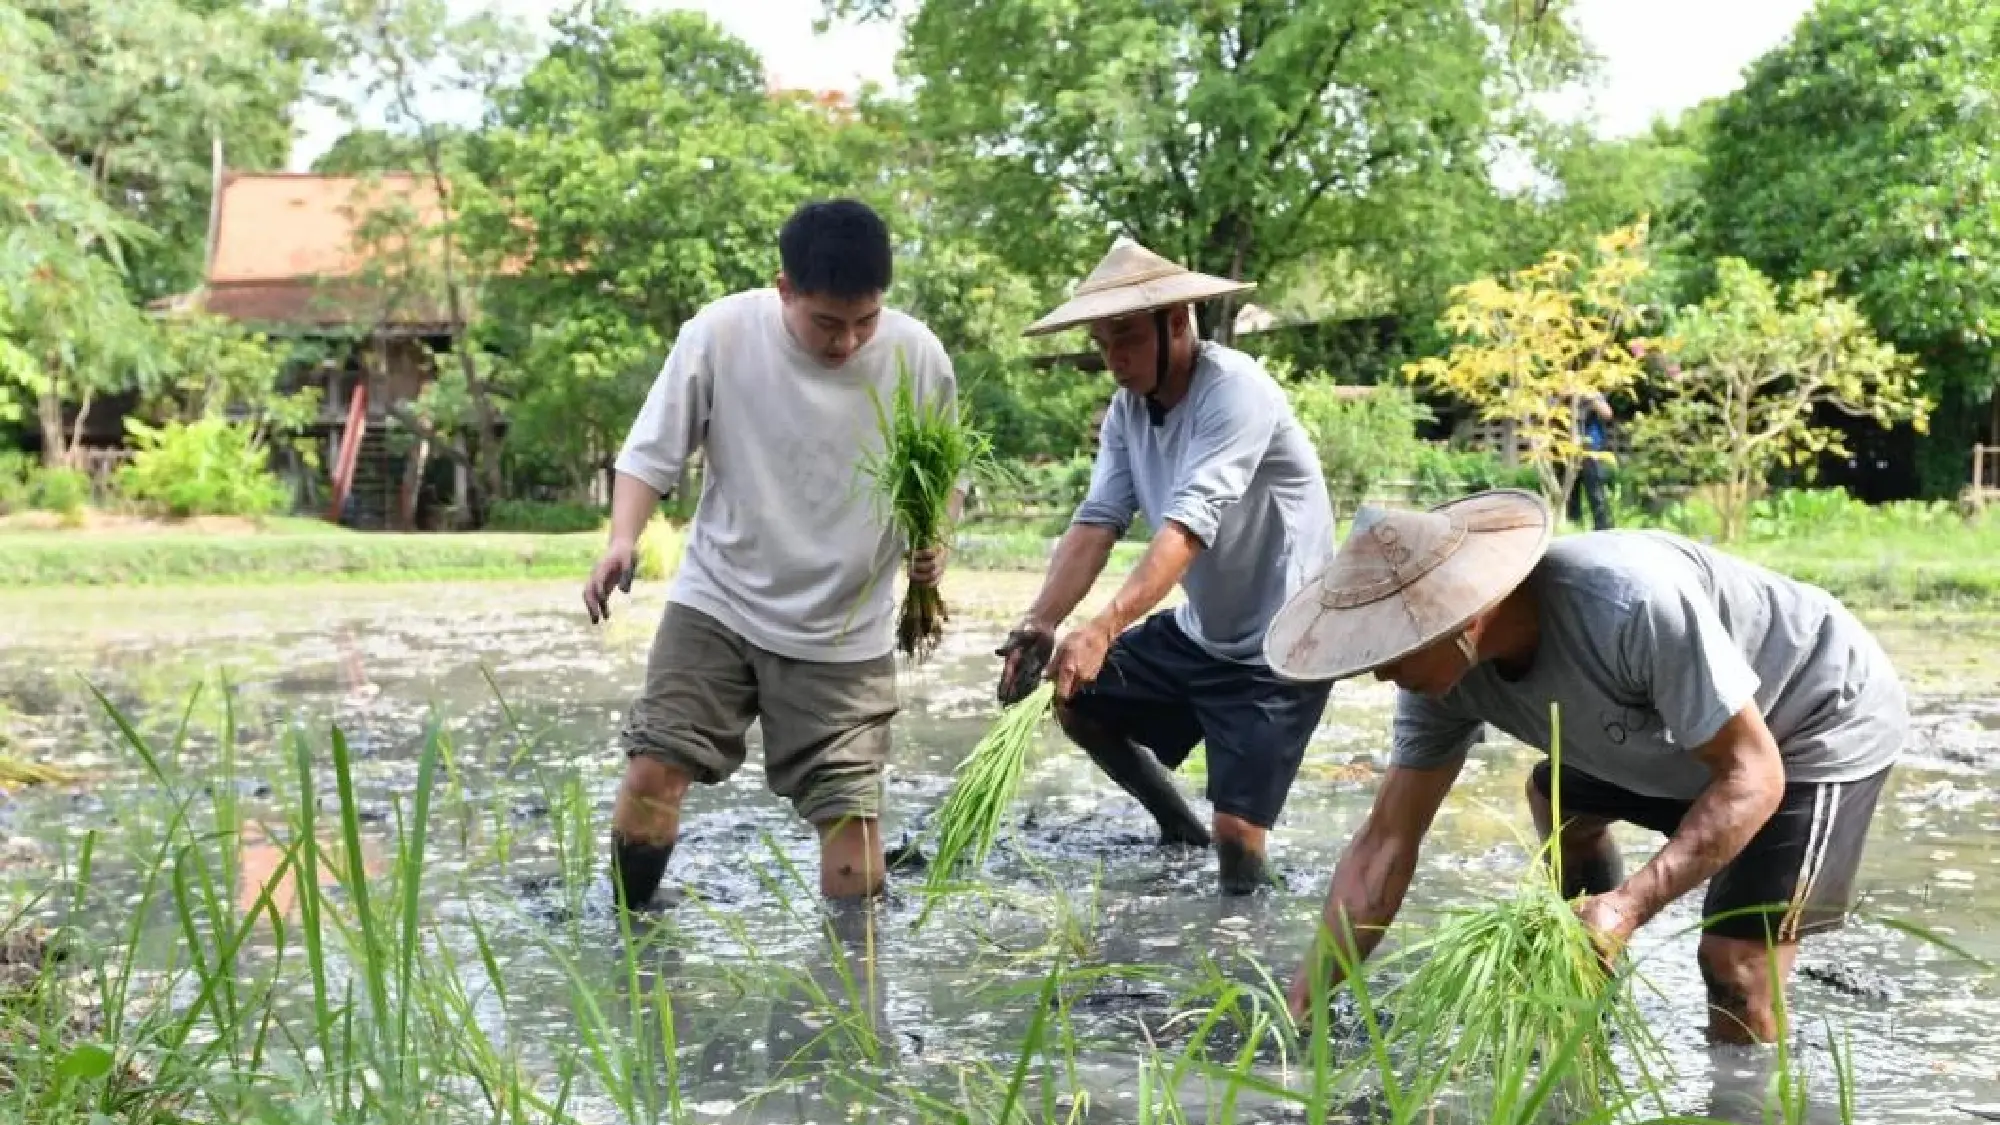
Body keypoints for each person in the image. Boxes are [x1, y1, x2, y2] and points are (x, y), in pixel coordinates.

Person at [1266, 489, 1907, 1043]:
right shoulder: (1438, 683)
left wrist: (1629, 906)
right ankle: (1587, 969)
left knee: (1735, 965)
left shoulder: (1628, 606)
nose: (1380, 671)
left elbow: (1754, 775)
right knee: (1558, 795)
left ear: (1465, 616)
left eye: (1391, 649)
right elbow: (1386, 842)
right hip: (1691, 735)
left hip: (1812, 719)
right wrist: (1302, 1002)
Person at [583, 199, 958, 908]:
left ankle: (852, 999)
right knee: (653, 769)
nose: (848, 343)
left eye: (864, 321)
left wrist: (932, 543)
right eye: (827, 322)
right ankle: (630, 942)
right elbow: (653, 448)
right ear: (784, 288)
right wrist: (621, 539)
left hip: (844, 624)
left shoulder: (918, 357)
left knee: (850, 817)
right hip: (719, 600)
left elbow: (939, 482)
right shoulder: (721, 333)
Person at [995, 238, 1337, 895]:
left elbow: (1188, 525)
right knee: (1079, 698)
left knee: (1241, 851)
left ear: (1176, 322)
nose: (1113, 358)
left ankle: (1243, 910)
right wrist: (1042, 620)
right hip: (1204, 629)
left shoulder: (1235, 391)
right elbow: (1099, 520)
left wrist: (1106, 626)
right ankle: (1181, 830)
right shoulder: (1128, 412)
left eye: (1125, 336)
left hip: (1283, 642)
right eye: (1101, 342)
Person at [1569, 393, 1616, 531]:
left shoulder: (1592, 393)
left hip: (1591, 448)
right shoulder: (1558, 390)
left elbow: (1607, 413)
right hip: (1566, 450)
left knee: (1595, 492)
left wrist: (1592, 399)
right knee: (1570, 494)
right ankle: (1573, 527)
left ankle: (1603, 529)